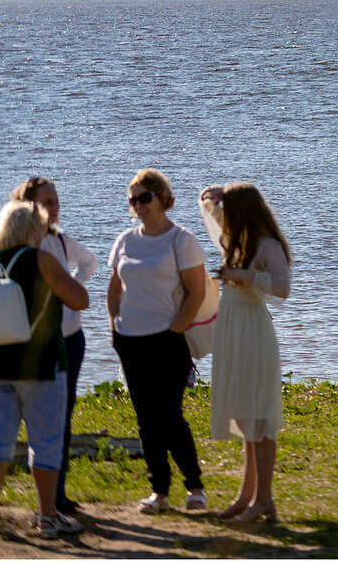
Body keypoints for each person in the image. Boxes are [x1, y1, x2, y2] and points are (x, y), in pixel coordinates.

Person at [0, 200, 88, 536]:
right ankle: (48, 515)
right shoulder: (41, 259)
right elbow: (80, 299)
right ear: (30, 229)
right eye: (40, 227)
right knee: (45, 439)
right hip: (42, 364)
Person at [107, 169, 207, 515]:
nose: (139, 205)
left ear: (162, 197)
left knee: (170, 416)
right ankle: (159, 491)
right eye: (132, 200)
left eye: (144, 197)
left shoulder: (182, 240)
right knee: (145, 419)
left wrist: (175, 329)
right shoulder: (125, 240)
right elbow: (114, 289)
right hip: (130, 341)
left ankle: (195, 487)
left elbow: (197, 292)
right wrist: (115, 330)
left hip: (168, 341)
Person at [199, 182, 292, 523]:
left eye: (229, 211)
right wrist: (211, 196)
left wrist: (247, 276)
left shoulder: (266, 245)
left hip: (253, 331)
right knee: (243, 414)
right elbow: (210, 215)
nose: (223, 217)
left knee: (258, 417)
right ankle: (247, 495)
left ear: (244, 212)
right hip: (233, 330)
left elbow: (283, 287)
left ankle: (263, 499)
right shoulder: (235, 242)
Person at [11, 177, 99, 515]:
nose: (54, 207)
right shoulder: (17, 244)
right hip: (36, 341)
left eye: (56, 200)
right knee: (38, 417)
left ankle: (58, 496)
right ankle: (45, 500)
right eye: (47, 201)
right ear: (28, 206)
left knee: (63, 416)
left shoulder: (60, 241)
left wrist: (69, 287)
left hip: (71, 338)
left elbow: (89, 262)